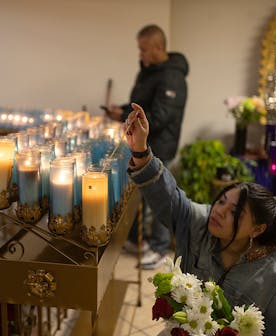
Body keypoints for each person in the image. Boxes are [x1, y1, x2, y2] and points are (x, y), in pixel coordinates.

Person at [124, 103, 276, 335]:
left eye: (234, 212)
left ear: (257, 230)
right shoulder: (200, 224)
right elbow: (169, 197)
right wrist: (140, 150)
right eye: (221, 201)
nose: (219, 211)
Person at [105, 24, 189, 269]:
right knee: (139, 196)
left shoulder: (172, 75)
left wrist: (126, 118)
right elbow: (140, 105)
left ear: (158, 47)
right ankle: (136, 240)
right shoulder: (149, 71)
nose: (140, 54)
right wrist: (121, 110)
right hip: (144, 144)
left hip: (160, 145)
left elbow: (160, 116)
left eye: (143, 50)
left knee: (160, 197)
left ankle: (161, 249)